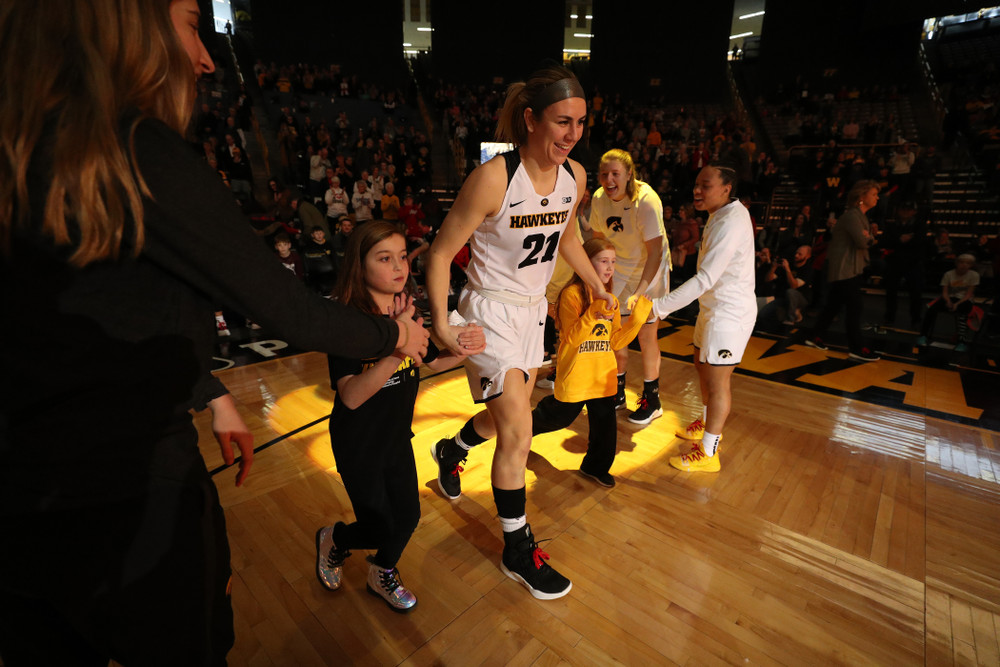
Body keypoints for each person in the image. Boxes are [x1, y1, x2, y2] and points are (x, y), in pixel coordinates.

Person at [0, 2, 428, 664]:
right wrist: (392, 335)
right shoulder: (134, 147)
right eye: (191, 22)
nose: (204, 56)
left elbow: (104, 312)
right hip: (135, 495)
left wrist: (209, 388)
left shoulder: (27, 144)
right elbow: (290, 310)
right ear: (126, 22)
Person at [424, 66, 613, 600]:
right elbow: (440, 253)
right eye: (560, 122)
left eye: (579, 123)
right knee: (520, 431)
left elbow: (568, 237)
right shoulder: (495, 178)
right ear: (530, 120)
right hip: (487, 314)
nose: (572, 134)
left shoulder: (576, 177)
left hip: (531, 313)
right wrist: (442, 323)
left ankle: (451, 447)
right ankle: (516, 548)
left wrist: (593, 285)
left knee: (508, 418)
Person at [315, 222, 483, 612]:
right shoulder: (346, 322)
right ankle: (334, 539)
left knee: (407, 518)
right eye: (384, 258)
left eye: (403, 257)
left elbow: (421, 361)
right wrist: (397, 347)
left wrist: (459, 352)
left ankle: (382, 569)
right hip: (359, 444)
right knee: (377, 525)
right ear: (360, 265)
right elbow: (352, 396)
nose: (399, 266)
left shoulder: (405, 309)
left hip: (395, 437)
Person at [641, 163, 756, 473]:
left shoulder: (732, 221)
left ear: (726, 189)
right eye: (696, 184)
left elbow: (704, 278)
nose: (697, 190)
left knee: (718, 383)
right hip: (713, 309)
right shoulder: (718, 216)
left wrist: (658, 306)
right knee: (701, 365)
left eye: (705, 185)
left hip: (729, 314)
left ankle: (708, 451)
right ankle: (705, 422)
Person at [530, 239, 652, 487]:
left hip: (602, 375)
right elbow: (572, 338)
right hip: (576, 375)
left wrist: (636, 322)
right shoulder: (571, 295)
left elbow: (615, 341)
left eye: (613, 262)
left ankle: (595, 468)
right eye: (603, 261)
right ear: (585, 263)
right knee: (557, 418)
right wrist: (593, 313)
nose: (610, 268)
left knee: (605, 428)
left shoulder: (612, 299)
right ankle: (518, 432)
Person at [583, 149, 670, 425]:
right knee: (614, 331)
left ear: (629, 174)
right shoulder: (598, 198)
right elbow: (599, 243)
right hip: (619, 267)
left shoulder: (646, 200)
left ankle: (652, 400)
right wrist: (599, 282)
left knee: (646, 335)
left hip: (650, 268)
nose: (608, 179)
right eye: (604, 174)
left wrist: (640, 291)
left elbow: (655, 252)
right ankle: (617, 392)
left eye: (615, 174)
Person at [805, 180, 881, 361]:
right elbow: (863, 242)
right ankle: (857, 347)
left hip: (846, 268)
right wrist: (870, 237)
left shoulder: (859, 217)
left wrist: (868, 236)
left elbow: (865, 239)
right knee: (855, 307)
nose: (877, 197)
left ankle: (816, 336)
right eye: (873, 194)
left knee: (834, 305)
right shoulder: (853, 216)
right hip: (845, 269)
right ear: (862, 197)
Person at [916, 254, 980, 352]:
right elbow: (944, 292)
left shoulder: (974, 275)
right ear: (957, 263)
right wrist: (948, 301)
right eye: (961, 262)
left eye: (967, 263)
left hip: (964, 300)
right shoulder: (949, 274)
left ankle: (961, 341)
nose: (964, 265)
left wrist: (957, 304)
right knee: (931, 310)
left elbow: (969, 294)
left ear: (971, 265)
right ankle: (923, 335)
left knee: (963, 313)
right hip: (949, 297)